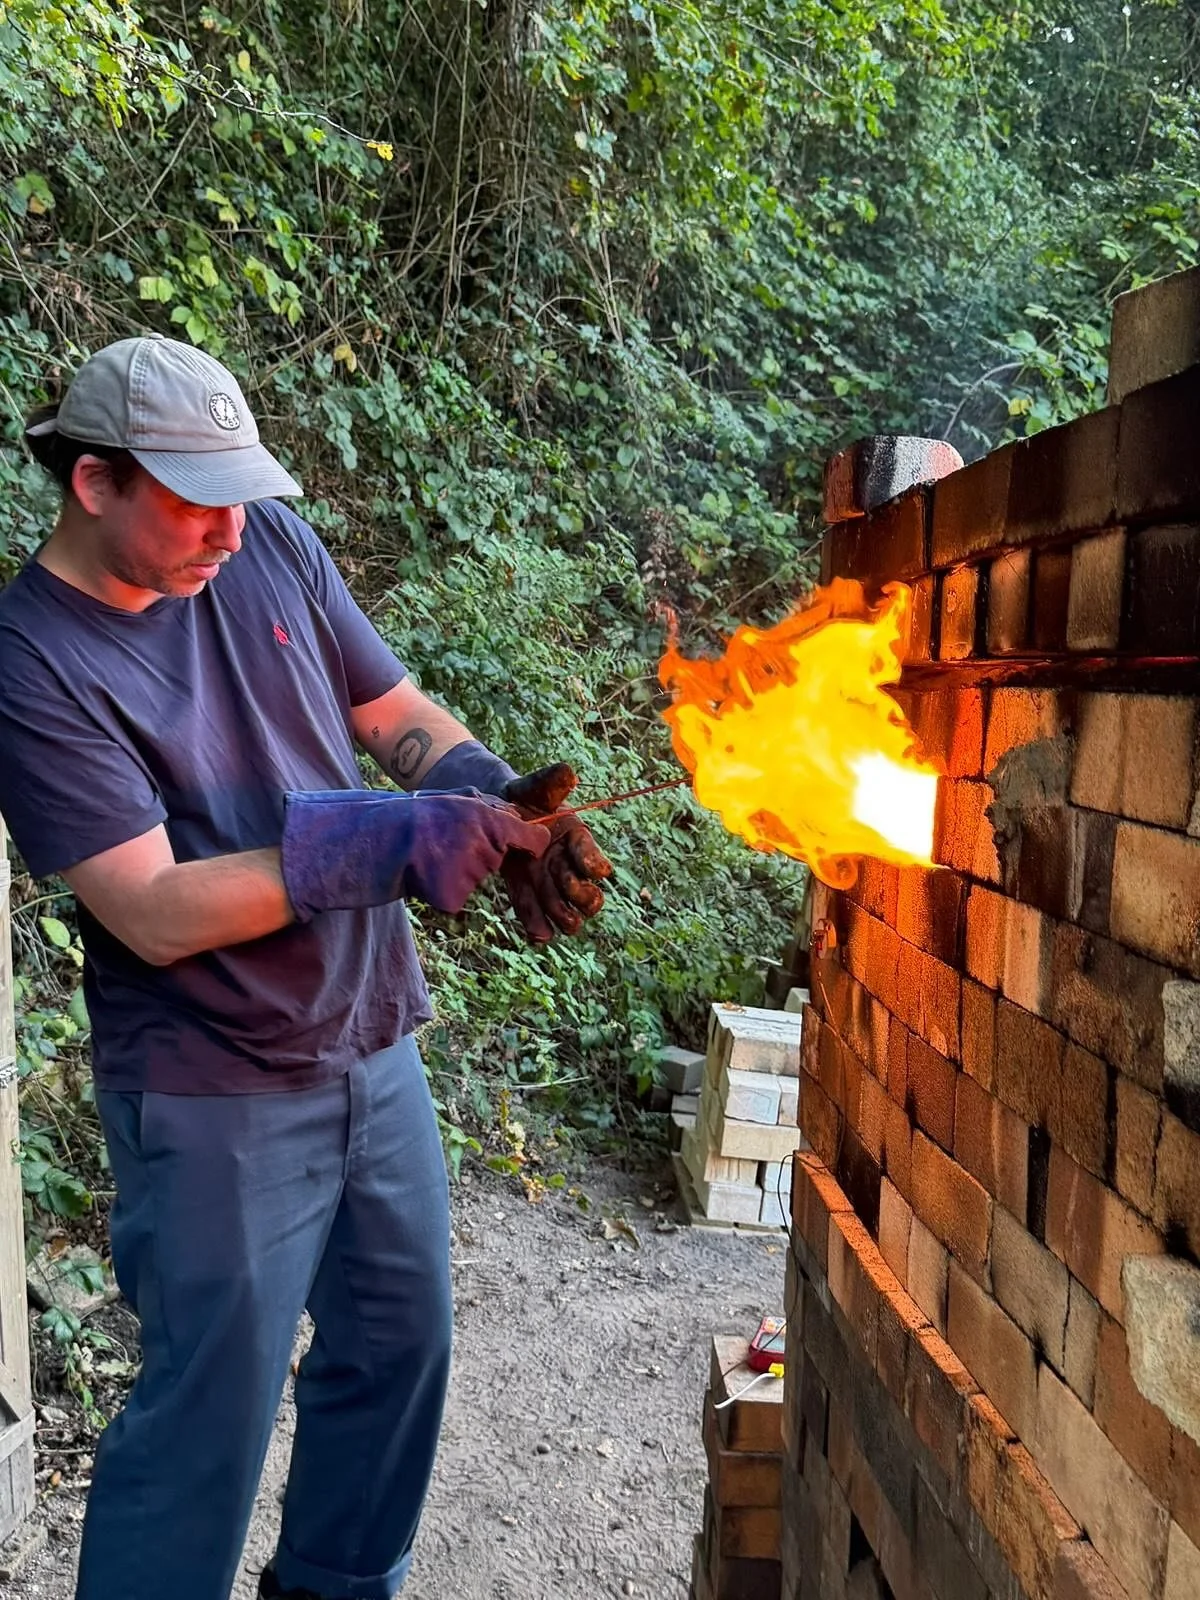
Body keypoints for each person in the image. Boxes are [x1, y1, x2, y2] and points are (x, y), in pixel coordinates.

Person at [0, 334, 612, 1600]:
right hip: (212, 1082)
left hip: (371, 1040)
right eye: (196, 501)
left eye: (241, 494)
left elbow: (397, 715)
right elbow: (152, 908)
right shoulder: (33, 661)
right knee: (207, 1416)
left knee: (398, 1353)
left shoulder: (264, 542)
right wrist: (390, 842)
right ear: (94, 483)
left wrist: (493, 798)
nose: (230, 530)